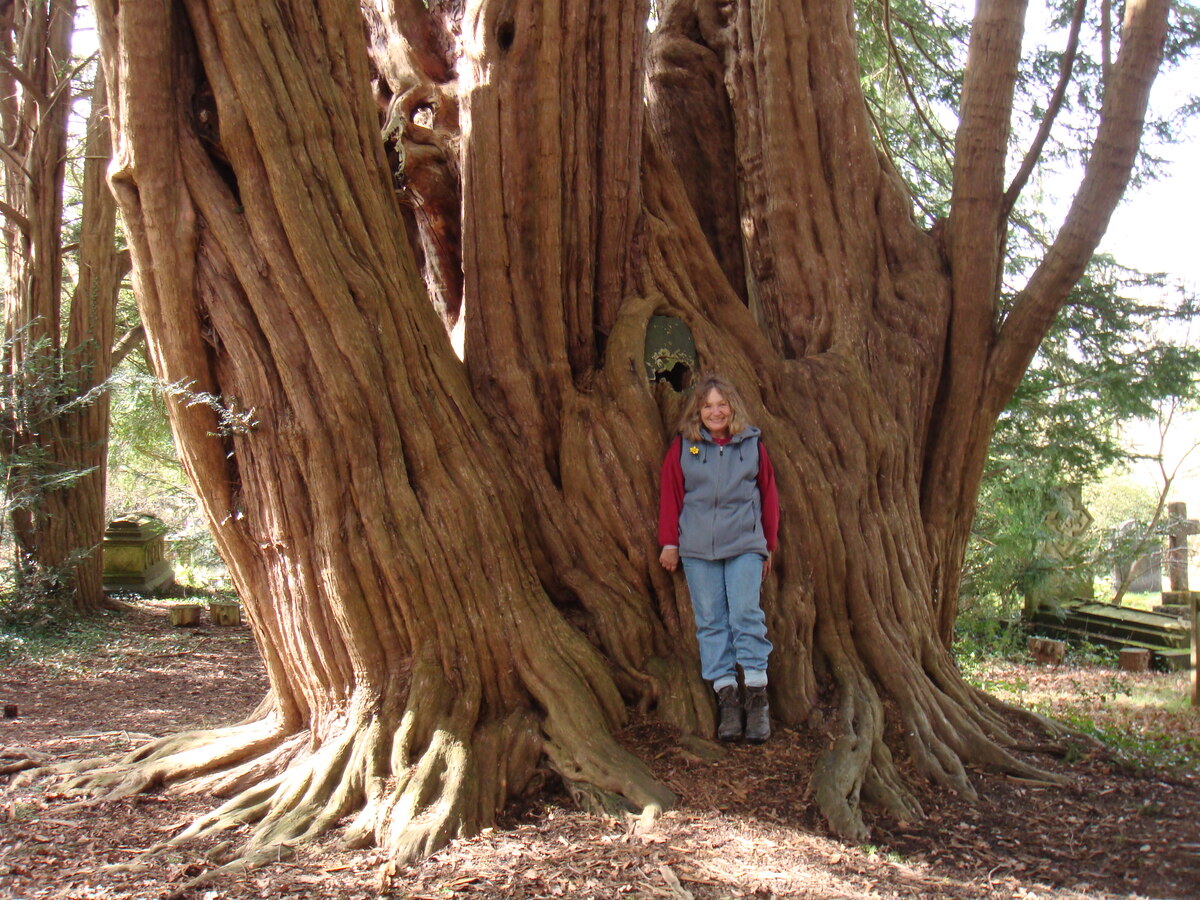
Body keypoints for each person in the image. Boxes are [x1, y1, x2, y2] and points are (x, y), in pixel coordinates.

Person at [658, 374, 778, 743]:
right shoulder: (685, 447)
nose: (715, 412)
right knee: (711, 621)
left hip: (743, 544)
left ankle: (757, 700)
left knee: (744, 614)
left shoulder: (752, 446)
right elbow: (671, 494)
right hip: (697, 549)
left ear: (732, 408)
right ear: (698, 411)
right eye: (707, 406)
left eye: (721, 405)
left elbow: (769, 496)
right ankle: (728, 699)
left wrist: (767, 544)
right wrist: (669, 543)